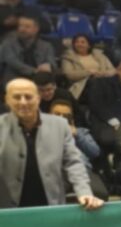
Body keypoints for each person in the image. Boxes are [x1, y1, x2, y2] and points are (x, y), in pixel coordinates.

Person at [0, 79, 102, 209]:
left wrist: (84, 192)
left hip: (51, 203)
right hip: (8, 206)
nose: (23, 102)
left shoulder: (60, 125)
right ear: (7, 100)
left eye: (28, 97)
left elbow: (73, 162)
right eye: (16, 97)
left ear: (38, 98)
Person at [49, 99, 108, 201]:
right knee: (50, 194)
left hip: (83, 169)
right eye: (57, 114)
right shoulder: (42, 133)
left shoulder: (81, 132)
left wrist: (76, 135)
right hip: (55, 170)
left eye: (66, 116)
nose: (61, 118)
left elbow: (95, 152)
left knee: (100, 193)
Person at [87, 60, 121, 153]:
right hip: (105, 122)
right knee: (110, 140)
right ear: (118, 71)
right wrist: (113, 120)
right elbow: (96, 104)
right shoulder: (101, 83)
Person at [1, 16, 56, 85]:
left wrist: (49, 66)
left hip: (39, 81)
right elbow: (13, 62)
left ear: (36, 29)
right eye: (20, 26)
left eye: (27, 26)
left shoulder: (46, 46)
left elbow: (52, 63)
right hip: (14, 81)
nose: (22, 29)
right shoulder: (8, 43)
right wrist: (34, 71)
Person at [61, 34, 116, 99]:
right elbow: (69, 74)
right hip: (82, 86)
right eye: (76, 42)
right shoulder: (68, 57)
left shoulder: (99, 55)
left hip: (103, 80)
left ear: (89, 45)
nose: (79, 44)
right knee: (95, 83)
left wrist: (102, 73)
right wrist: (89, 72)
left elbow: (113, 70)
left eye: (83, 42)